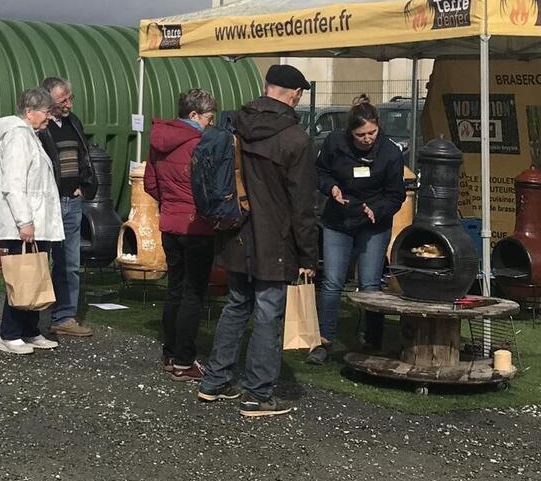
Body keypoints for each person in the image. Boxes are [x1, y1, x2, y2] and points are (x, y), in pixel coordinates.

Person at [197, 64, 317, 418]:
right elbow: (303, 206)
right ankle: (258, 394)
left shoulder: (234, 123)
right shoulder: (296, 139)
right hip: (274, 236)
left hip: (235, 229)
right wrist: (309, 254)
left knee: (237, 303)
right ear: (294, 95)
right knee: (268, 312)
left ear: (265, 87)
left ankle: (215, 381)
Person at [308, 96, 405, 365]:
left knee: (371, 284)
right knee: (332, 282)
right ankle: (324, 340)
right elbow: (320, 172)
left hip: (374, 222)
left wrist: (379, 210)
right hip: (338, 219)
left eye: (372, 132)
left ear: (378, 127)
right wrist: (331, 189)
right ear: (350, 132)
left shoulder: (390, 153)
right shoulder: (334, 144)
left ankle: (373, 338)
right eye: (360, 134)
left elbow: (396, 195)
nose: (367, 139)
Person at [144, 89, 218, 381]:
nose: (209, 124)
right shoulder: (199, 143)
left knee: (175, 289)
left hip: (170, 222)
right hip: (196, 225)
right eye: (208, 118)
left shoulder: (158, 140)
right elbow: (210, 186)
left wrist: (169, 203)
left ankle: (170, 351)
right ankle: (184, 360)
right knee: (193, 294)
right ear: (194, 115)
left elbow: (151, 182)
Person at [0, 87, 65, 355]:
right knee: (21, 274)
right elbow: (13, 184)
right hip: (23, 220)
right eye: (45, 112)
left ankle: (30, 330)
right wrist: (24, 221)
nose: (48, 118)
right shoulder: (18, 137)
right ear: (29, 111)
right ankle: (9, 333)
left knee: (36, 272)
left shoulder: (32, 136)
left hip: (36, 219)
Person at [38, 77, 96, 338]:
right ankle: (30, 315)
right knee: (39, 259)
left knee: (69, 262)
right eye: (64, 100)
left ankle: (64, 316)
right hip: (49, 201)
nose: (69, 103)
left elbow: (84, 156)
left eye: (70, 98)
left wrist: (84, 185)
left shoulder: (74, 122)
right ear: (49, 100)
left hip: (72, 201)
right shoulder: (40, 127)